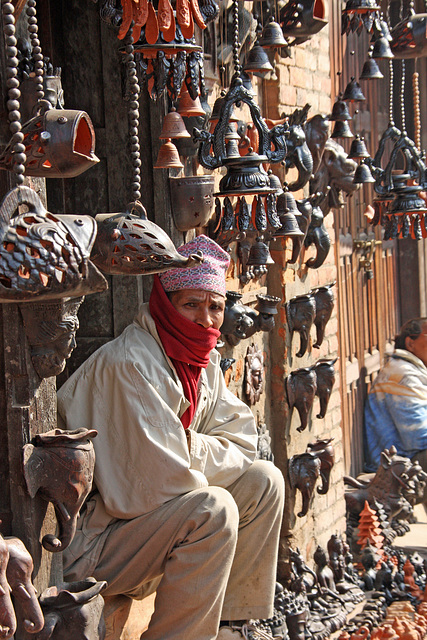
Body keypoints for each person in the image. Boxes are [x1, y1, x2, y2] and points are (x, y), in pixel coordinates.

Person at [57, 235, 285, 640]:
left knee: (265, 481)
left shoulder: (201, 363)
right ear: (165, 303)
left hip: (144, 531)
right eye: (191, 304)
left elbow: (243, 441)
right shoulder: (131, 363)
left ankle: (232, 624)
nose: (206, 319)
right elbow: (157, 485)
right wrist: (190, 452)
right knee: (212, 509)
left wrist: (186, 445)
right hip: (91, 546)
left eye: (215, 306)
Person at [364, 317, 427, 475]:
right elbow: (418, 438)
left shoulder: (413, 371)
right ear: (410, 343)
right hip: (394, 468)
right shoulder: (403, 375)